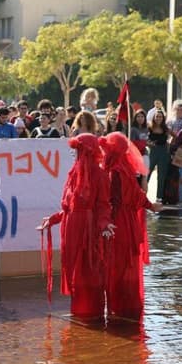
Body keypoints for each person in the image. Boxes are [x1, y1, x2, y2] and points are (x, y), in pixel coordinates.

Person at [38, 134, 115, 320]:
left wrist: (104, 224)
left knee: (89, 270)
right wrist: (54, 219)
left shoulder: (100, 175)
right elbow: (68, 206)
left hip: (88, 230)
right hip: (71, 228)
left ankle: (92, 315)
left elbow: (103, 205)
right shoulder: (73, 173)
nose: (75, 155)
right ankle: (80, 314)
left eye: (78, 150)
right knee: (74, 270)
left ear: (87, 152)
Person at [100, 132, 162, 322]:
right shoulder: (122, 170)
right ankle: (126, 305)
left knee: (117, 263)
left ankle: (117, 305)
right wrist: (152, 206)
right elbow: (136, 194)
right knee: (127, 261)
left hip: (114, 220)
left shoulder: (111, 170)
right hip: (125, 222)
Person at [147, 110, 170, 203]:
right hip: (153, 151)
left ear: (163, 118)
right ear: (154, 117)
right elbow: (145, 138)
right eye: (157, 116)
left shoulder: (166, 129)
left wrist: (170, 143)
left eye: (160, 117)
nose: (158, 118)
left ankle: (159, 197)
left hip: (163, 152)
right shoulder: (149, 127)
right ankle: (142, 194)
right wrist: (148, 143)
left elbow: (175, 136)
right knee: (147, 173)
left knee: (161, 176)